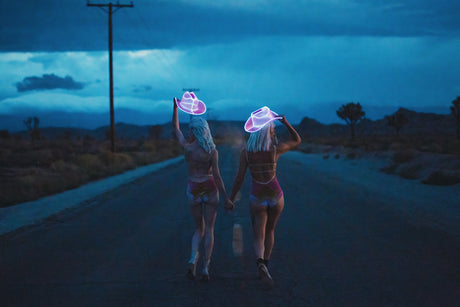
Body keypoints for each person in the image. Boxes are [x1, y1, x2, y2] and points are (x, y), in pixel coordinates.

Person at [229, 106, 301, 286]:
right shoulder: (275, 148)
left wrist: (230, 198)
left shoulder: (246, 152)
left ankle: (261, 264)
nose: (274, 128)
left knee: (258, 234)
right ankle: (266, 264)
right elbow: (297, 140)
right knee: (270, 231)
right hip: (276, 194)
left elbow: (239, 178)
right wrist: (286, 123)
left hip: (257, 195)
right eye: (272, 126)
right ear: (268, 129)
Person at [172, 94, 233, 281]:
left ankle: (192, 259)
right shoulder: (212, 151)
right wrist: (226, 198)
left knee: (199, 228)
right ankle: (205, 267)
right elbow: (217, 176)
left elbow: (175, 129)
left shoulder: (188, 148)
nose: (188, 132)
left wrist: (175, 107)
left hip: (193, 187)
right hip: (210, 187)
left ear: (195, 132)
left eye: (190, 130)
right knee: (210, 229)